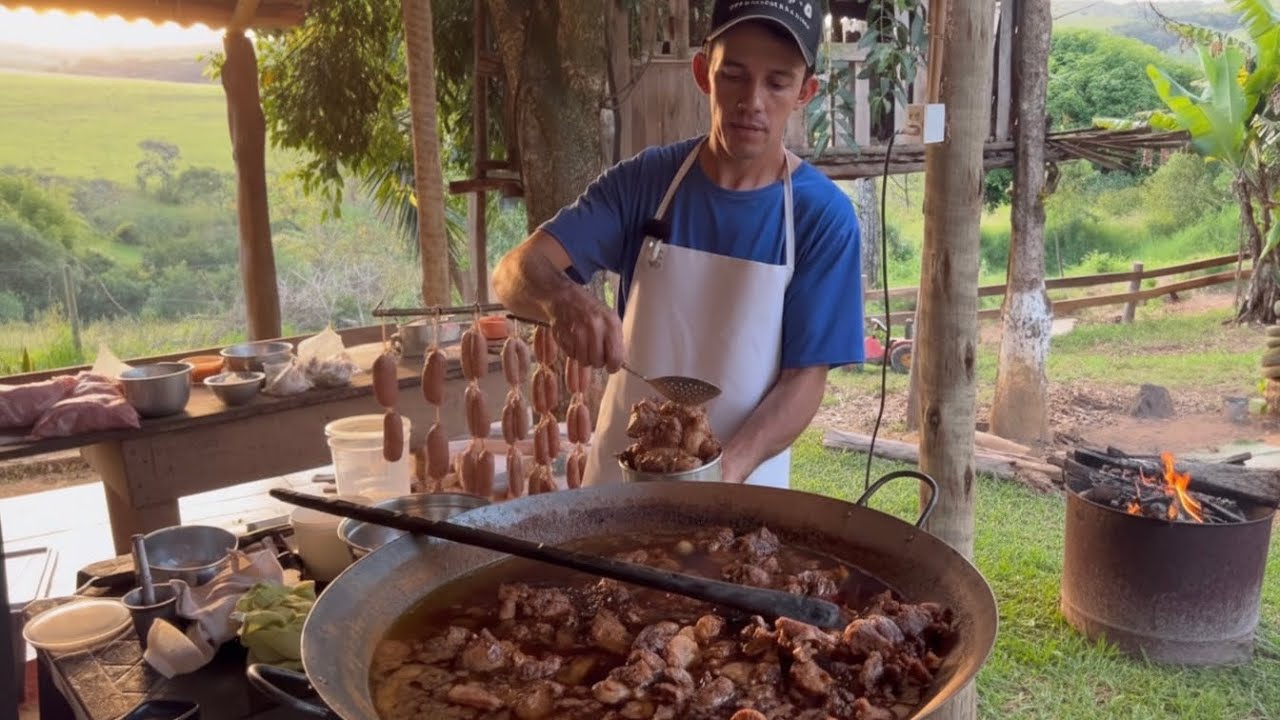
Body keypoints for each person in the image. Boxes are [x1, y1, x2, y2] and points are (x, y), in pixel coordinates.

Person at [492, 0, 865, 489]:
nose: (752, 100)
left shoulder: (822, 217)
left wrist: (720, 472)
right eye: (733, 74)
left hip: (739, 493)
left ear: (805, 93)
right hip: (619, 490)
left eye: (777, 83)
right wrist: (562, 300)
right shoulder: (646, 183)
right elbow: (513, 271)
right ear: (703, 73)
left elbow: (804, 379)